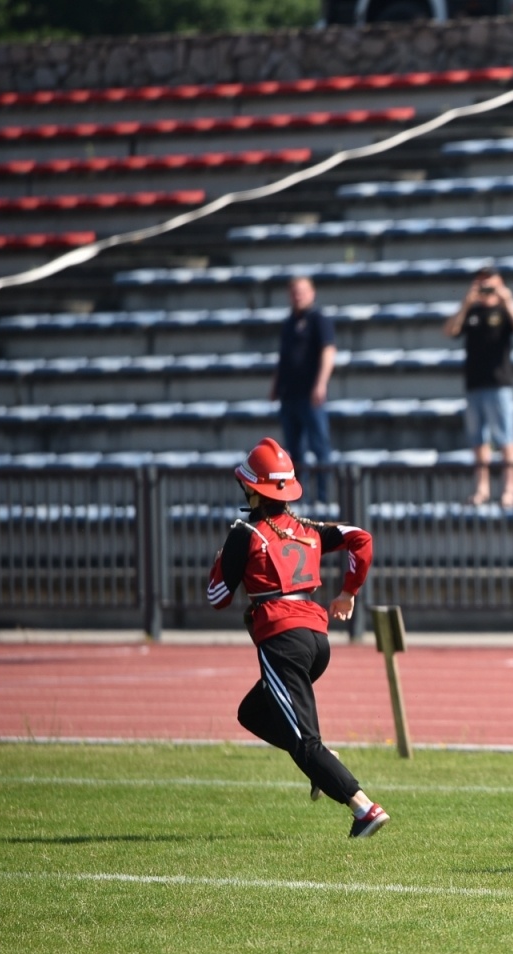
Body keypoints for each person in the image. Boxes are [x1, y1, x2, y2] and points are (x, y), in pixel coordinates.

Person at [207, 437, 390, 838]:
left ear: (253, 491)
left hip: (282, 642)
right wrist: (348, 592)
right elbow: (361, 537)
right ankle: (324, 763)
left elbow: (217, 597)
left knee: (306, 742)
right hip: (316, 640)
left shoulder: (246, 532)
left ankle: (364, 808)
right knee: (252, 713)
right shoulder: (308, 529)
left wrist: (223, 557)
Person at [443, 266, 513, 508]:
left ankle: (509, 490)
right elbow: (450, 331)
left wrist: (508, 302)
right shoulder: (471, 311)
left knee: (506, 439)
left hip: (499, 384)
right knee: (478, 441)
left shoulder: (505, 311)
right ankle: (482, 489)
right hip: (474, 384)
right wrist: (465, 303)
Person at [270, 276, 336, 502]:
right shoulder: (289, 323)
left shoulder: (319, 320)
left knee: (320, 447)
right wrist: (275, 386)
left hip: (310, 395)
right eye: (294, 292)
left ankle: (324, 498)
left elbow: (328, 351)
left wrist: (321, 383)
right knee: (294, 452)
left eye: (302, 291)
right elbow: (284, 358)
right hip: (289, 395)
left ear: (312, 293)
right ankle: (298, 498)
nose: (297, 296)